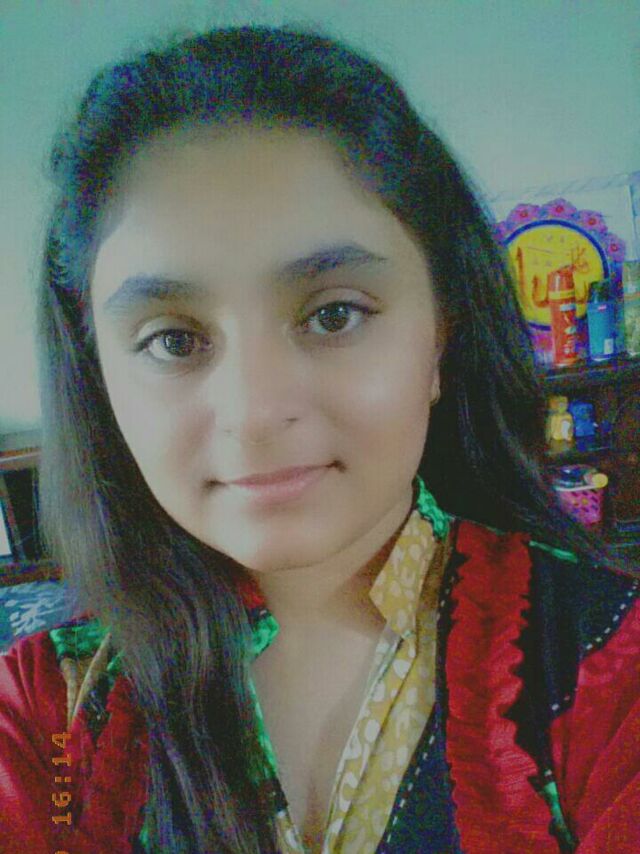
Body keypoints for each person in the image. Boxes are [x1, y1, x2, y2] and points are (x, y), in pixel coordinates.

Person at [0, 22, 638, 854]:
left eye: (334, 314)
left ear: (441, 334)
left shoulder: (610, 665)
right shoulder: (44, 713)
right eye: (173, 340)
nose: (254, 411)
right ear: (99, 379)